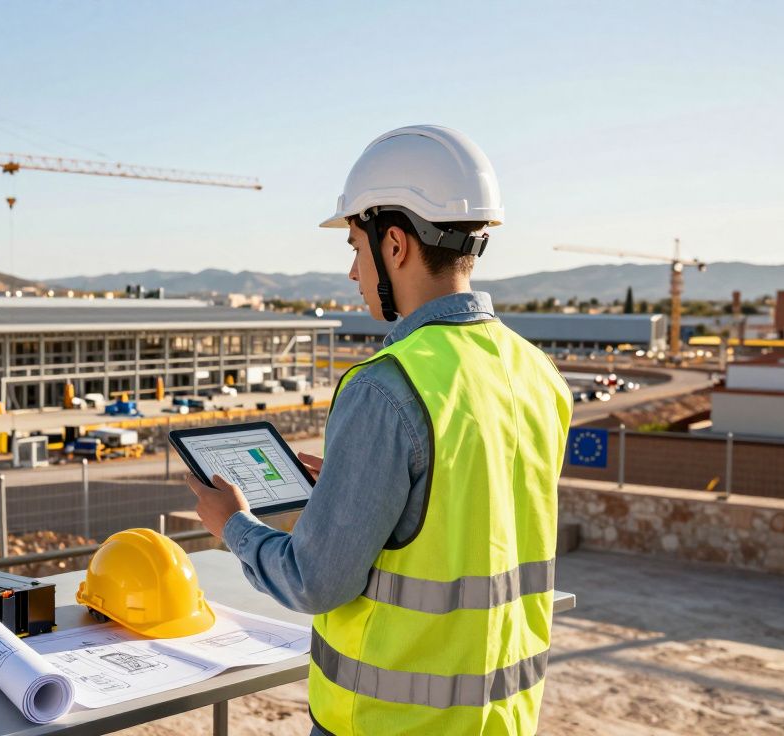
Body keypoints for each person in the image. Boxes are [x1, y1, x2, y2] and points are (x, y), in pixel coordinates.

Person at [187, 125, 572, 735]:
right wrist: (352, 487)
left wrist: (232, 523)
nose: (351, 271)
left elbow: (314, 581)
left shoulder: (384, 387)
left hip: (388, 723)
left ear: (394, 245)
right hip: (502, 719)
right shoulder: (537, 372)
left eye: (354, 246)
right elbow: (464, 517)